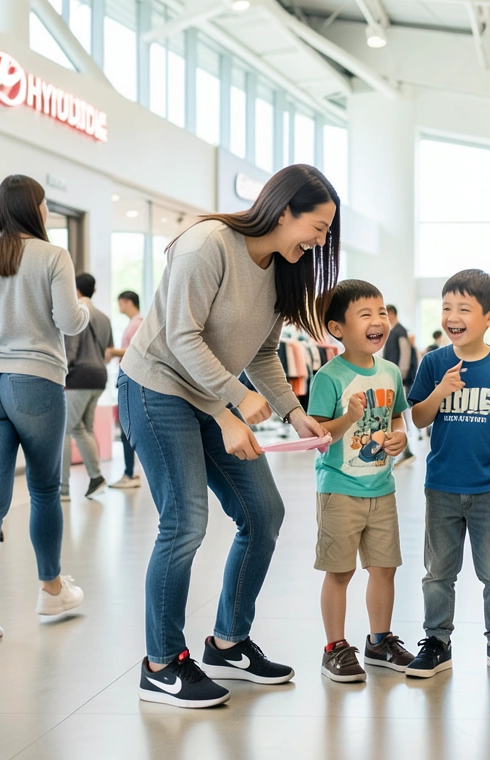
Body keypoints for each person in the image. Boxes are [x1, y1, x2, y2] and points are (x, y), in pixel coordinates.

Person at [119, 164, 338, 709]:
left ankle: (227, 643)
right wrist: (231, 407)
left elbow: (261, 354)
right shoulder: (206, 245)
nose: (321, 241)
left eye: (327, 233)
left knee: (264, 514)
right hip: (157, 388)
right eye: (318, 226)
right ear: (284, 211)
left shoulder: (281, 269)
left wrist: (295, 413)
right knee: (186, 522)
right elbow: (180, 337)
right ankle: (161, 663)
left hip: (210, 397)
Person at [0, 175, 91, 646]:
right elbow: (69, 321)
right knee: (42, 489)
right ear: (35, 209)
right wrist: (85, 308)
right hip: (35, 381)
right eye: (45, 205)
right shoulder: (53, 256)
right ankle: (51, 589)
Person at [406, 269, 490, 680]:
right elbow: (419, 418)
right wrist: (440, 391)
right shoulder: (433, 362)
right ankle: (437, 642)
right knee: (438, 573)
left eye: (463, 308)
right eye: (446, 307)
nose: (452, 316)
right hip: (441, 486)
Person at [308, 280, 415, 683]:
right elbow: (320, 437)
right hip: (339, 490)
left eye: (382, 312)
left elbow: (399, 416)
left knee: (384, 568)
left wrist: (400, 436)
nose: (378, 321)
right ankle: (334, 647)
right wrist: (348, 418)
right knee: (339, 573)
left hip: (382, 489)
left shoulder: (389, 372)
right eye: (366, 314)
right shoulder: (329, 377)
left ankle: (379, 641)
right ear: (338, 328)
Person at [60, 272, 113, 501]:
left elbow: (70, 351)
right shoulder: (104, 317)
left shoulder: (78, 313)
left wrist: (63, 375)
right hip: (100, 376)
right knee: (83, 429)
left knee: (64, 430)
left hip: (79, 377)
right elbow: (108, 353)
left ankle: (61, 488)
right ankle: (95, 478)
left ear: (77, 290)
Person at [107, 290, 143, 489]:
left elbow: (136, 349)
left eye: (120, 302)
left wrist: (113, 352)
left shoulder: (137, 323)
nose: (119, 305)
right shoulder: (135, 323)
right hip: (128, 378)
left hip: (130, 379)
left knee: (126, 429)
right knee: (126, 429)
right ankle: (130, 472)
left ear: (128, 302)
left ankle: (130, 473)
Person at [380, 303, 417, 465]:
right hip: (391, 377)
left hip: (397, 379)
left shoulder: (400, 331)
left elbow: (405, 355)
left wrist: (399, 377)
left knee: (398, 413)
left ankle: (406, 450)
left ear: (391, 314)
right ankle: (405, 451)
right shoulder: (393, 331)